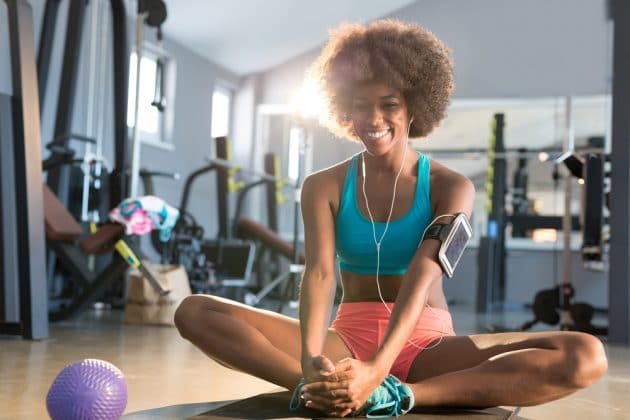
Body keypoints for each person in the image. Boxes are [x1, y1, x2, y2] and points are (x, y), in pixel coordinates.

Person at [173, 19, 608, 418]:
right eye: (361, 106)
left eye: (389, 105)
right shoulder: (322, 186)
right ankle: (318, 389)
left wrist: (379, 373)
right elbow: (321, 273)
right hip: (345, 338)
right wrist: (310, 360)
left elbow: (423, 275)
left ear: (414, 107)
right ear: (345, 109)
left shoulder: (450, 186)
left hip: (427, 344)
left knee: (585, 354)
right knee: (194, 311)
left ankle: (401, 396)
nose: (374, 119)